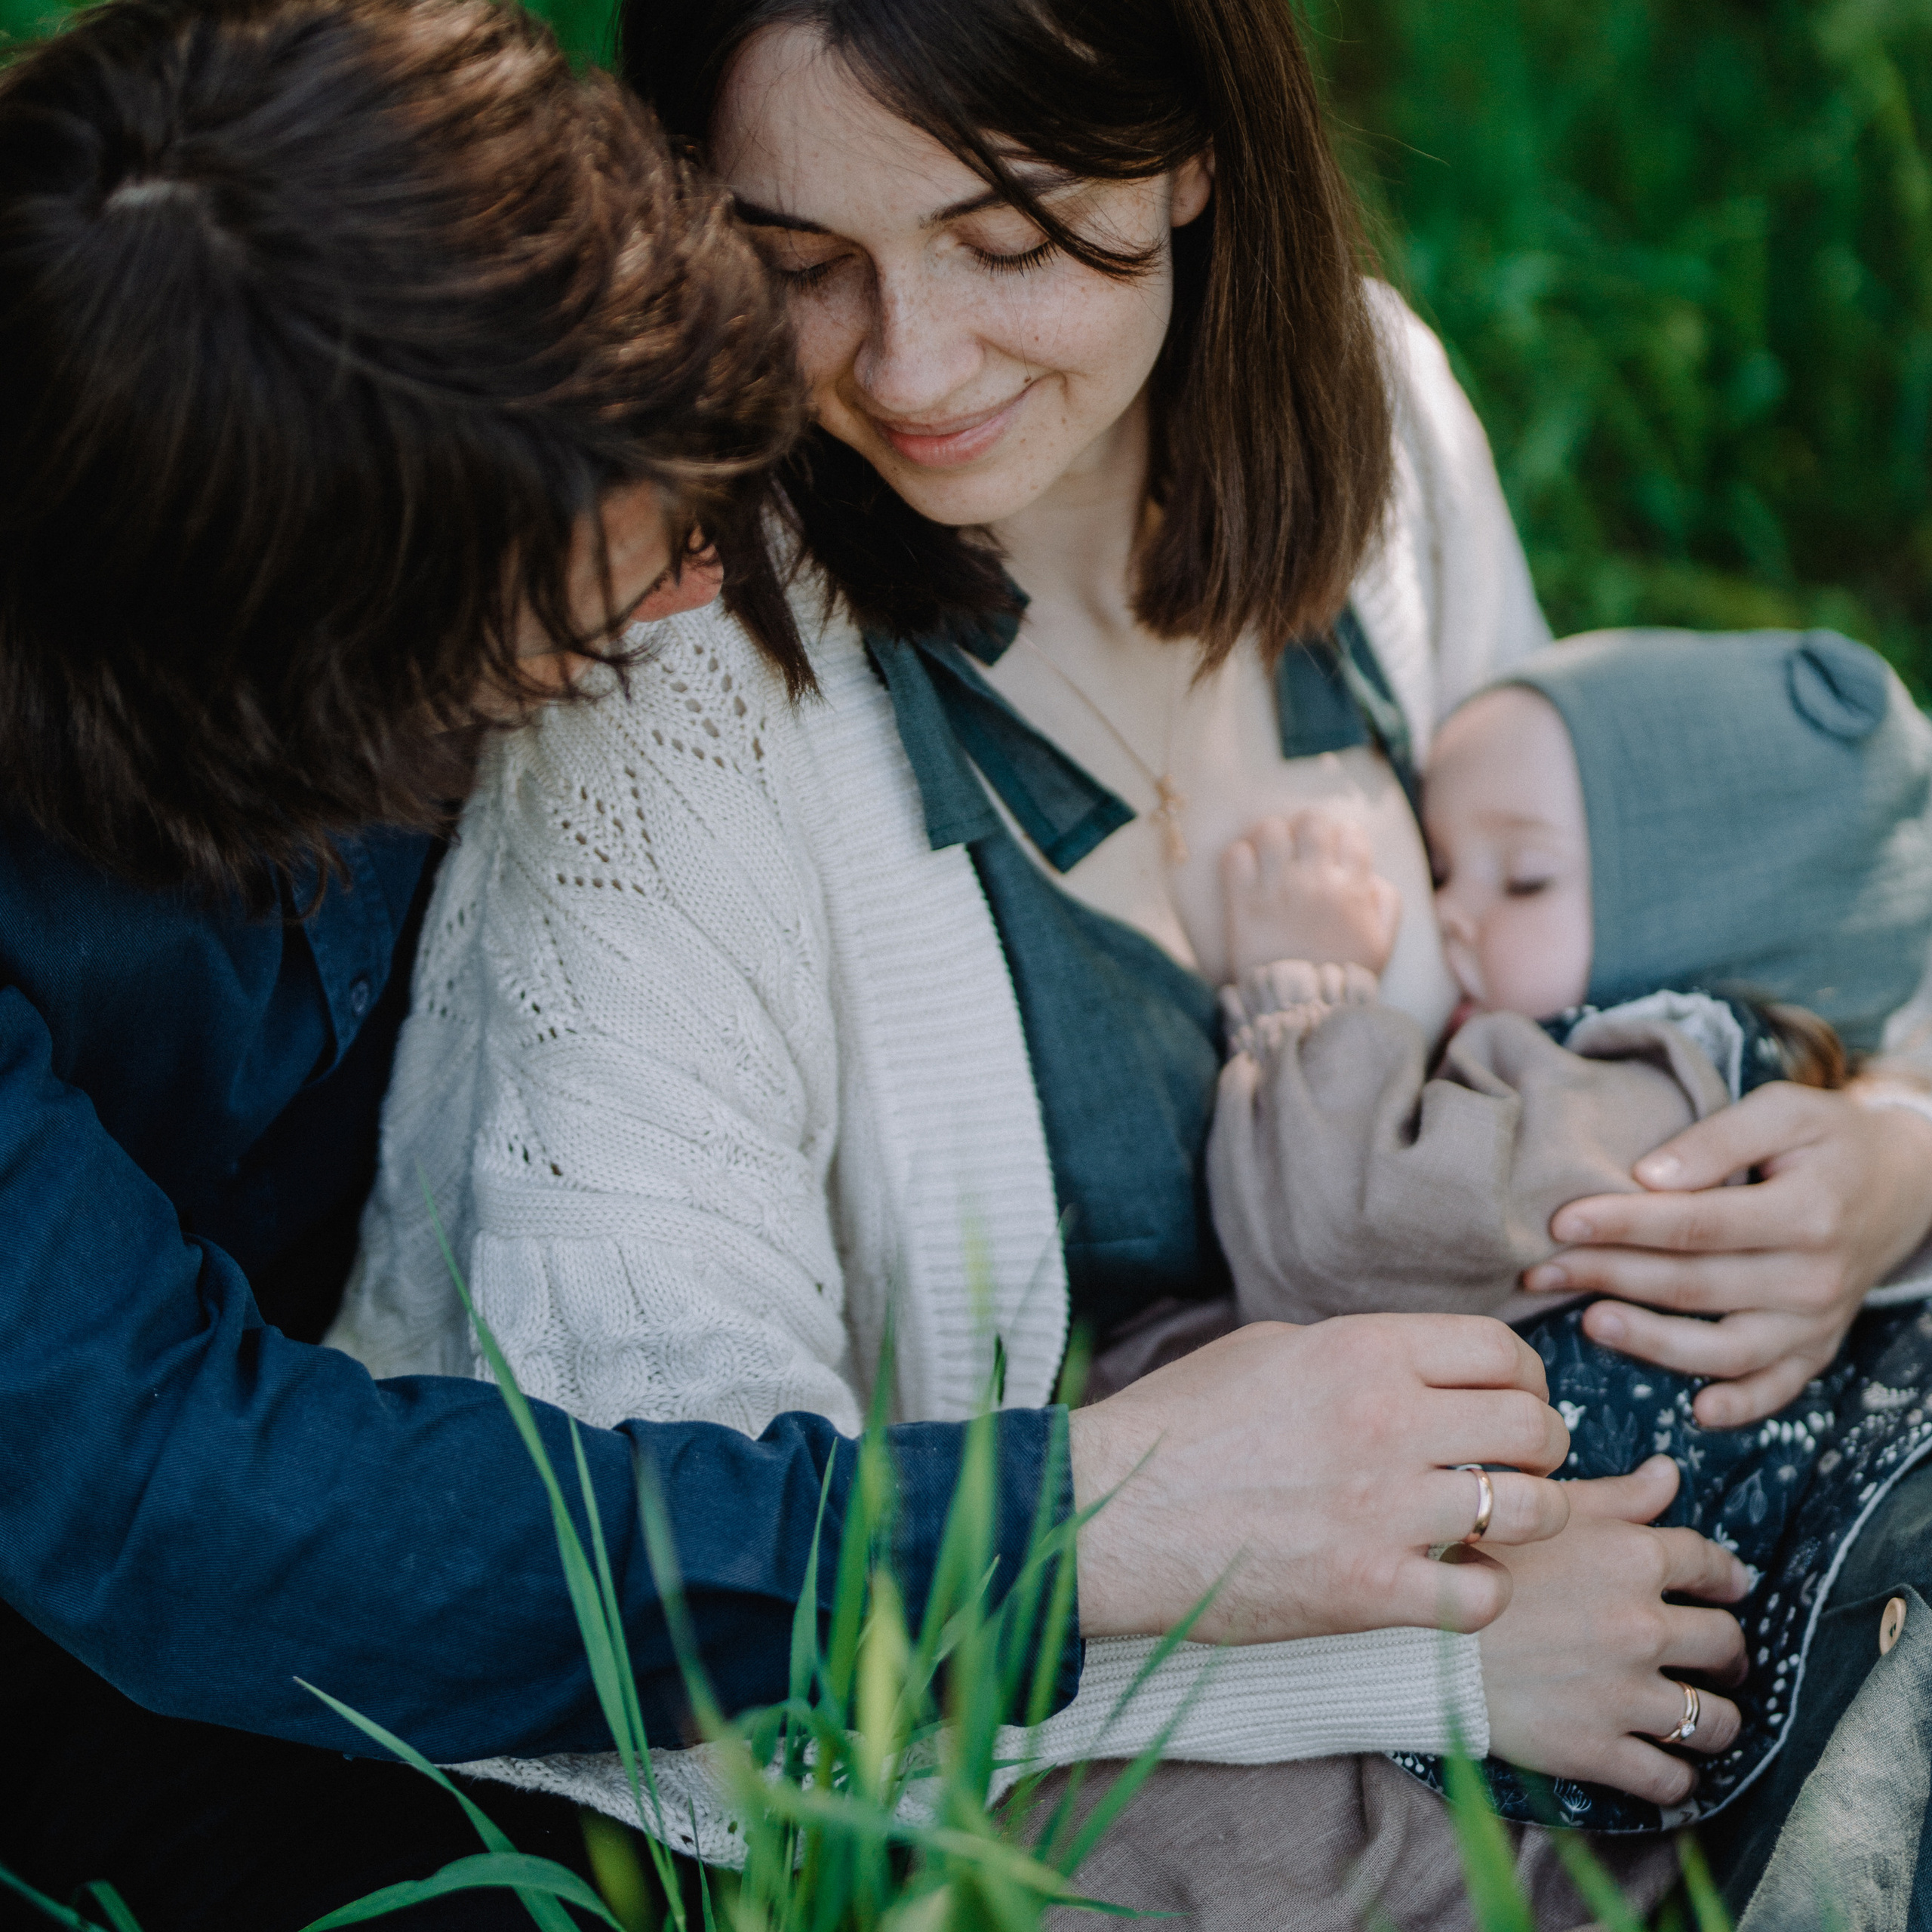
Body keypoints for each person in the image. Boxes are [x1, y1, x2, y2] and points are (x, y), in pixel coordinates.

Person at [336, 0, 1932, 1922]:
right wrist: (1410, 1655)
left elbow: (1634, 958)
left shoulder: (1375, 415)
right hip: (1105, 1797)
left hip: (1610, 1643)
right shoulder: (673, 711)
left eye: (1006, 238)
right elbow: (672, 1593)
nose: (910, 363)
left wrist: (1881, 1160)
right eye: (799, 263)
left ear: (1188, 154)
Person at [0, 2, 1574, 1925]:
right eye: (588, 597)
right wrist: (1079, 1530)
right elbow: (191, 1506)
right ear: (290, 686)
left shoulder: (333, 315)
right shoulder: (583, 705)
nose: (705, 568)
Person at [1208, 625, 1932, 1832]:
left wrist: (1305, 992)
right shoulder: (1750, 1092)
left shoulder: (1639, 1099)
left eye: (1524, 878)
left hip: (1474, 1769)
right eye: (1445, 870)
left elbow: (1329, 1233)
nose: (1450, 918)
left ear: (1718, 911)